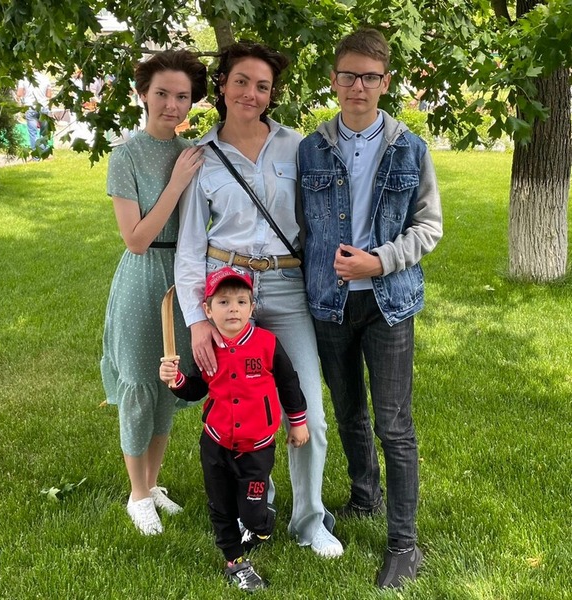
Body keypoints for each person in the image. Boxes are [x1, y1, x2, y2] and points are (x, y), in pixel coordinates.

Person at [175, 41, 343, 558]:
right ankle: (254, 506)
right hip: (227, 293)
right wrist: (197, 320)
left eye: (263, 86)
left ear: (272, 94)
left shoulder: (298, 147)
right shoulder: (200, 157)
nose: (251, 93)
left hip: (287, 286)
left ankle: (309, 521)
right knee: (240, 405)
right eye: (242, 81)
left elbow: (320, 219)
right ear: (222, 85)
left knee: (308, 412)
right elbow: (190, 246)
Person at [298, 28, 443, 589]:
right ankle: (365, 496)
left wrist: (378, 262)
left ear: (386, 82)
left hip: (389, 302)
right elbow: (301, 227)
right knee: (348, 413)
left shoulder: (410, 148)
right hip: (329, 303)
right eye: (348, 75)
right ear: (334, 81)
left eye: (370, 77)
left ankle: (404, 544)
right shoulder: (310, 148)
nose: (358, 86)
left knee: (394, 424)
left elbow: (428, 227)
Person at [100, 49, 207, 536]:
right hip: (143, 276)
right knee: (141, 384)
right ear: (143, 93)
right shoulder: (125, 155)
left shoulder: (192, 151)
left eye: (182, 96)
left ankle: (153, 482)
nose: (172, 105)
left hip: (183, 277)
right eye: (162, 93)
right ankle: (137, 494)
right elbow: (136, 239)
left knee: (169, 382)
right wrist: (177, 182)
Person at [160, 267, 309, 592]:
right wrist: (177, 380)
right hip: (215, 444)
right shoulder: (207, 349)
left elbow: (288, 383)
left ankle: (261, 525)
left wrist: (298, 422)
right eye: (224, 302)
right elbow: (196, 388)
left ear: (252, 308)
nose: (233, 309)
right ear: (208, 309)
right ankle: (235, 562)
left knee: (253, 514)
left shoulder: (267, 344)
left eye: (241, 302)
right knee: (221, 507)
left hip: (256, 449)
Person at [16, 71, 52, 157]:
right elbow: (49, 95)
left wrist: (25, 95)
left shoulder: (23, 79)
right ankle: (45, 153)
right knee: (44, 132)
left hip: (30, 107)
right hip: (44, 107)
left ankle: (36, 155)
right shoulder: (45, 78)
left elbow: (19, 93)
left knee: (33, 133)